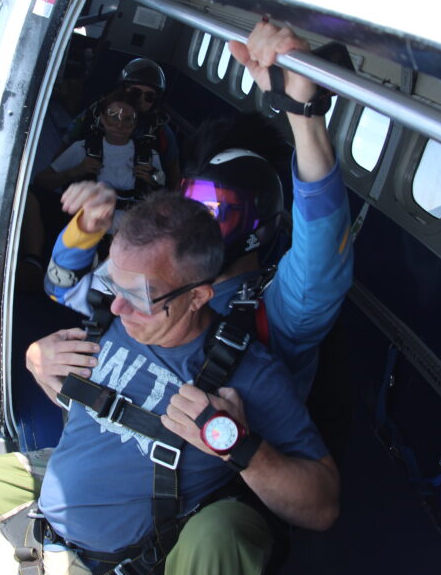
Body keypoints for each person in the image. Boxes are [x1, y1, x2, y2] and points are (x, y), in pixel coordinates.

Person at [0, 192, 338, 575]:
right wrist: (34, 356)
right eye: (113, 281)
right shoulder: (106, 312)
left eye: (140, 296)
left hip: (134, 566)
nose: (117, 308)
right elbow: (59, 284)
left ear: (196, 296)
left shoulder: (252, 376)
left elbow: (321, 507)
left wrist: (240, 447)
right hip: (40, 540)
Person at [44, 20, 353, 398]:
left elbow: (320, 259)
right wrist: (85, 229)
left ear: (261, 228)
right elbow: (62, 288)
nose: (196, 222)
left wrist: (303, 116)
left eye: (218, 210)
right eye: (192, 202)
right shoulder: (157, 269)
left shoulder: (281, 312)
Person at [61, 58, 181, 190]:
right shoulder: (91, 117)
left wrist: (155, 176)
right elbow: (59, 160)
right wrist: (76, 171)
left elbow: (172, 180)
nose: (140, 100)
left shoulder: (161, 131)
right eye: (135, 92)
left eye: (149, 96)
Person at [35, 90, 165, 203]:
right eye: (114, 117)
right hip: (88, 223)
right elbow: (40, 182)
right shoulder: (82, 148)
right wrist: (74, 171)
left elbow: (165, 189)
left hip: (132, 225)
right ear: (102, 118)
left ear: (135, 123)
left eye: (128, 119)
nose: (120, 125)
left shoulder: (148, 155)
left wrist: (154, 178)